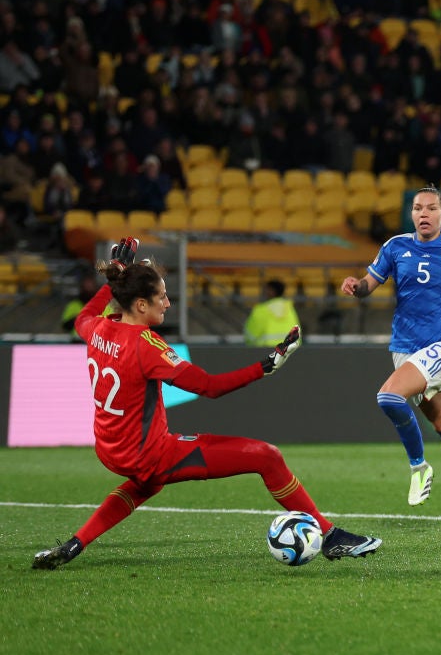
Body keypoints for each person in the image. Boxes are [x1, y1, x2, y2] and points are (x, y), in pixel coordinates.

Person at [33, 238, 381, 569]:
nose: (168, 304)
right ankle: (330, 535)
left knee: (145, 483)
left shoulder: (95, 328)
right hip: (149, 454)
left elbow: (86, 314)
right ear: (141, 305)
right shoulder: (145, 345)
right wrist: (265, 365)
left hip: (110, 450)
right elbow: (209, 387)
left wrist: (116, 275)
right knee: (266, 456)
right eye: (162, 297)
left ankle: (75, 543)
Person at [340, 186, 441, 517]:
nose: (423, 214)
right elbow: (370, 283)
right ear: (411, 214)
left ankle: (419, 467)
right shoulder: (395, 246)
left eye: (430, 208)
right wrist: (357, 286)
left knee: (388, 397)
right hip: (404, 346)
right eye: (417, 208)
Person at [244, 279, 301, 347]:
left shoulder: (261, 310)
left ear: (271, 291)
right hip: (288, 351)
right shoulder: (290, 309)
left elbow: (250, 336)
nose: (263, 293)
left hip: (266, 351)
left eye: (265, 290)